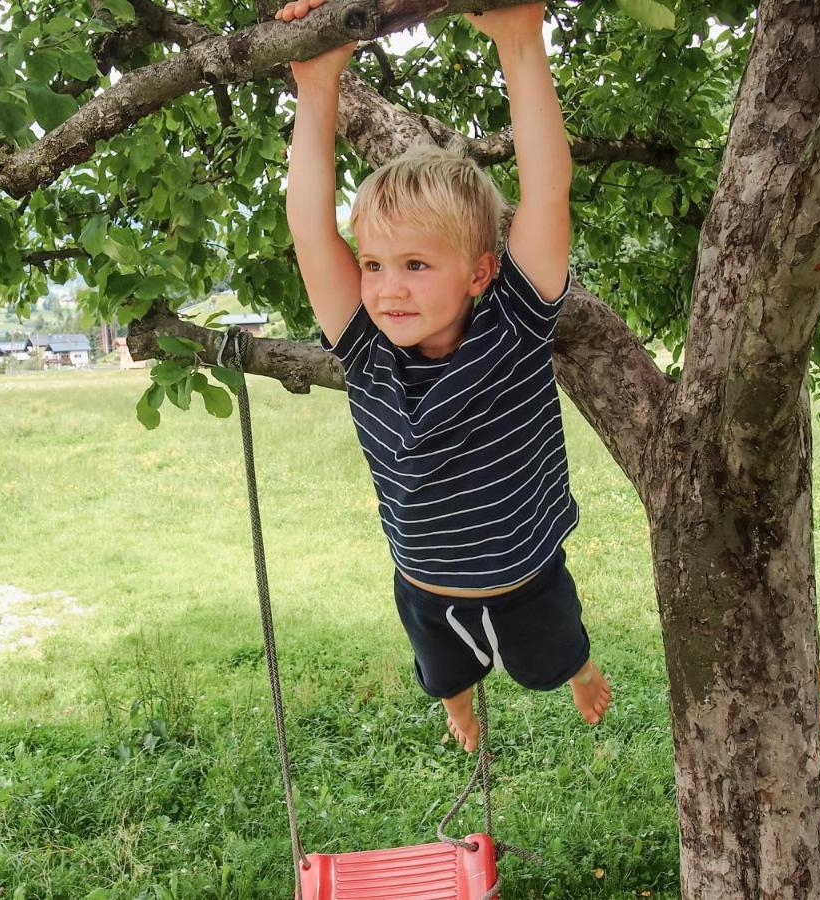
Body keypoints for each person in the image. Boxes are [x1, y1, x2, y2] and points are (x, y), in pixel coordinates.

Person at [277, 0, 611, 752]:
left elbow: (547, 187)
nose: (388, 287)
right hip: (424, 588)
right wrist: (317, 86)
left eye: (417, 265)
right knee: (443, 673)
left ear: (479, 273)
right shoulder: (366, 349)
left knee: (554, 658)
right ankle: (458, 704)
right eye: (374, 265)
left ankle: (581, 670)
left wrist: (521, 41)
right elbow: (308, 227)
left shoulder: (517, 326)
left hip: (529, 582)